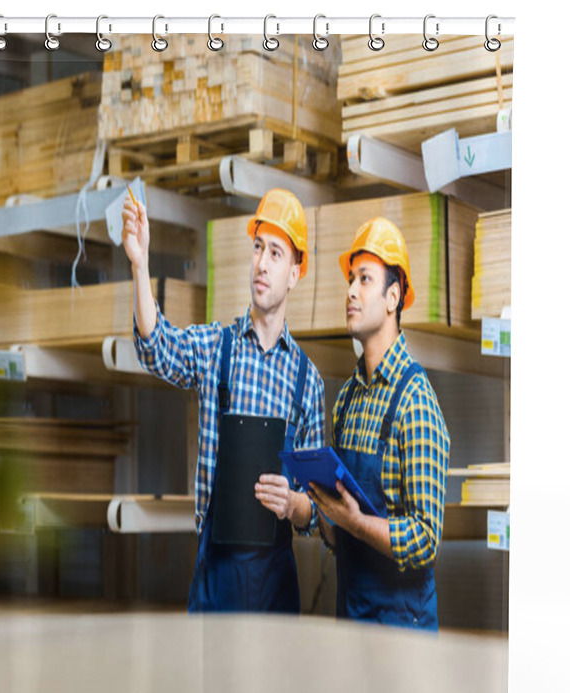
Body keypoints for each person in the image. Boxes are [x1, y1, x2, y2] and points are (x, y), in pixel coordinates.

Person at [123, 188, 325, 614]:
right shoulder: (218, 347)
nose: (262, 263)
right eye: (257, 248)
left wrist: (292, 503)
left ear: (294, 273)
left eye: (275, 253)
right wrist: (140, 264)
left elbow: (316, 511)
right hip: (217, 577)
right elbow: (156, 346)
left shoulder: (308, 382)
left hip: (276, 584)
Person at [307, 217, 450, 630]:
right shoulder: (347, 400)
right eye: (350, 279)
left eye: (364, 279)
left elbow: (424, 540)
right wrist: (322, 514)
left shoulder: (415, 400)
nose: (350, 291)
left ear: (392, 298)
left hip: (402, 632)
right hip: (351, 621)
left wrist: (354, 521)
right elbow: (341, 533)